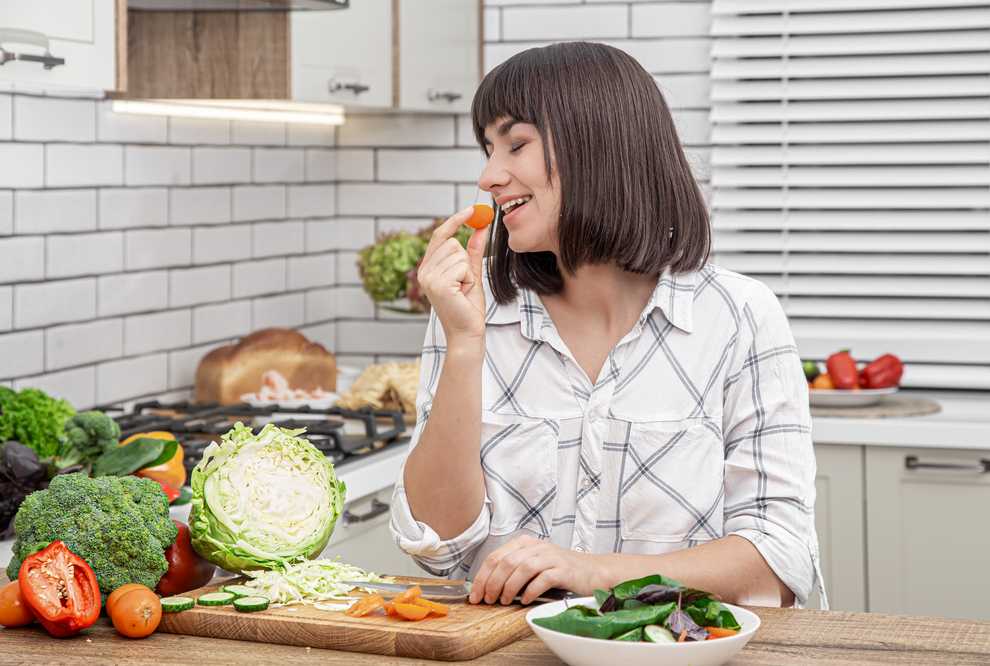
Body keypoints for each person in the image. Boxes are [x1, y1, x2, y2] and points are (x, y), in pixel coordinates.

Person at [389, 41, 822, 609]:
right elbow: (439, 545)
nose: (490, 176)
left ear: (598, 146)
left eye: (515, 144)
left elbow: (779, 557)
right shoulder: (475, 313)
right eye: (488, 150)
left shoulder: (739, 317)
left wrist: (593, 573)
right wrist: (465, 345)